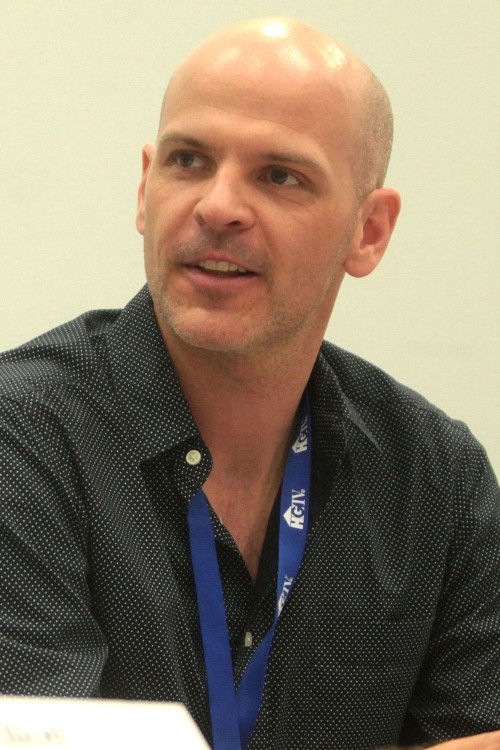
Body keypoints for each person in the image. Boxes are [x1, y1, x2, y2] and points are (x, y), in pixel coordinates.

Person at [0, 16, 499, 750]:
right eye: (189, 161)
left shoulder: (436, 480)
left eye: (279, 176)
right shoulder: (23, 441)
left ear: (368, 231)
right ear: (144, 188)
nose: (218, 206)